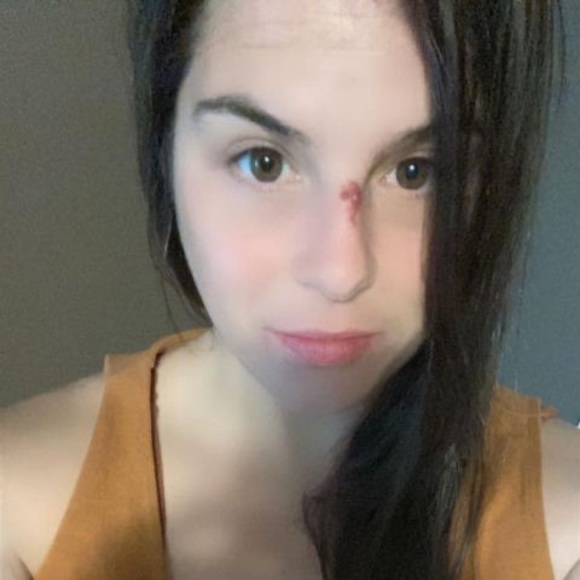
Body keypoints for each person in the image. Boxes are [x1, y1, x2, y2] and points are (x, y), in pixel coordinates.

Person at [1, 0, 579, 578]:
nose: (340, 274)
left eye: (417, 172)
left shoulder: (566, 526)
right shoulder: (20, 512)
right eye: (264, 162)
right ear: (166, 148)